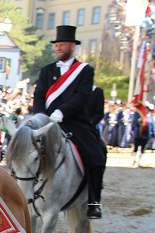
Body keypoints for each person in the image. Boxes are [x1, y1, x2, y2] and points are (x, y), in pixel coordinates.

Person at [31, 25, 105, 219]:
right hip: (45, 121)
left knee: (97, 153)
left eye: (62, 45)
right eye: (56, 45)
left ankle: (94, 202)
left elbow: (82, 96)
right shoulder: (47, 71)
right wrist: (40, 116)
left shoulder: (84, 71)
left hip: (73, 121)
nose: (57, 48)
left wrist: (62, 112)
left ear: (72, 46)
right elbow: (38, 96)